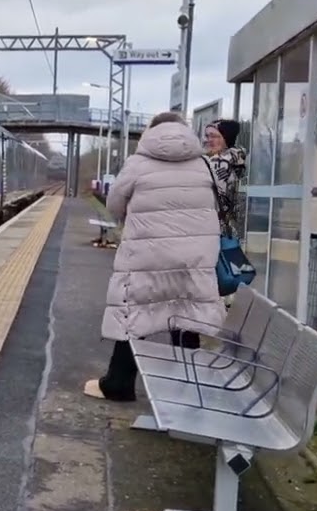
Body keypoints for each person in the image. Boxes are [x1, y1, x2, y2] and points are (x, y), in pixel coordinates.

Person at [84, 111, 227, 402]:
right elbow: (218, 206)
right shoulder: (204, 165)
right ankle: (187, 390)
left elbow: (113, 206)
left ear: (151, 132)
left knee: (134, 315)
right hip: (194, 259)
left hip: (147, 256)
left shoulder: (138, 163)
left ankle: (119, 384)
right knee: (188, 316)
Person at [203, 119, 248, 240]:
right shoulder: (238, 159)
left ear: (226, 138)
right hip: (230, 227)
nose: (208, 140)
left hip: (214, 227)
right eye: (207, 136)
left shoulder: (219, 163)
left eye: (214, 136)